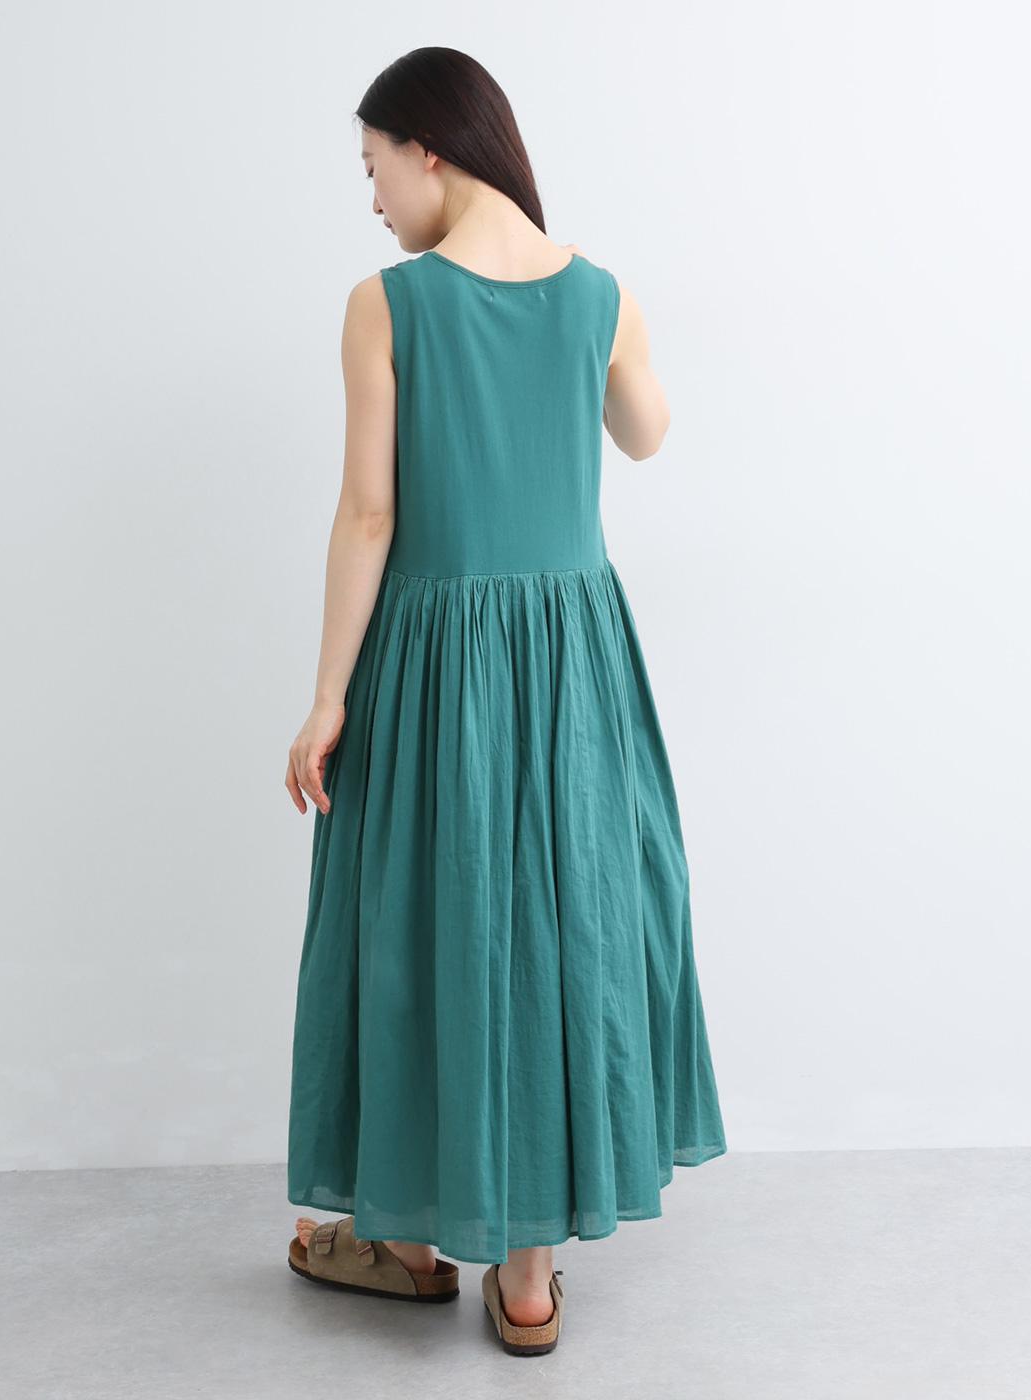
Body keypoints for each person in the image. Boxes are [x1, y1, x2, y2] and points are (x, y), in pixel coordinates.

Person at [282, 47, 727, 1355]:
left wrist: (326, 697)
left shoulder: (388, 305)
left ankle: (411, 1241)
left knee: (419, 925)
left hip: (433, 658)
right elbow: (646, 433)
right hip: (572, 660)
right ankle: (528, 1282)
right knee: (561, 925)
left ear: (430, 149)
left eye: (375, 168)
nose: (373, 200)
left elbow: (370, 515)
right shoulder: (599, 292)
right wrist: (606, 333)